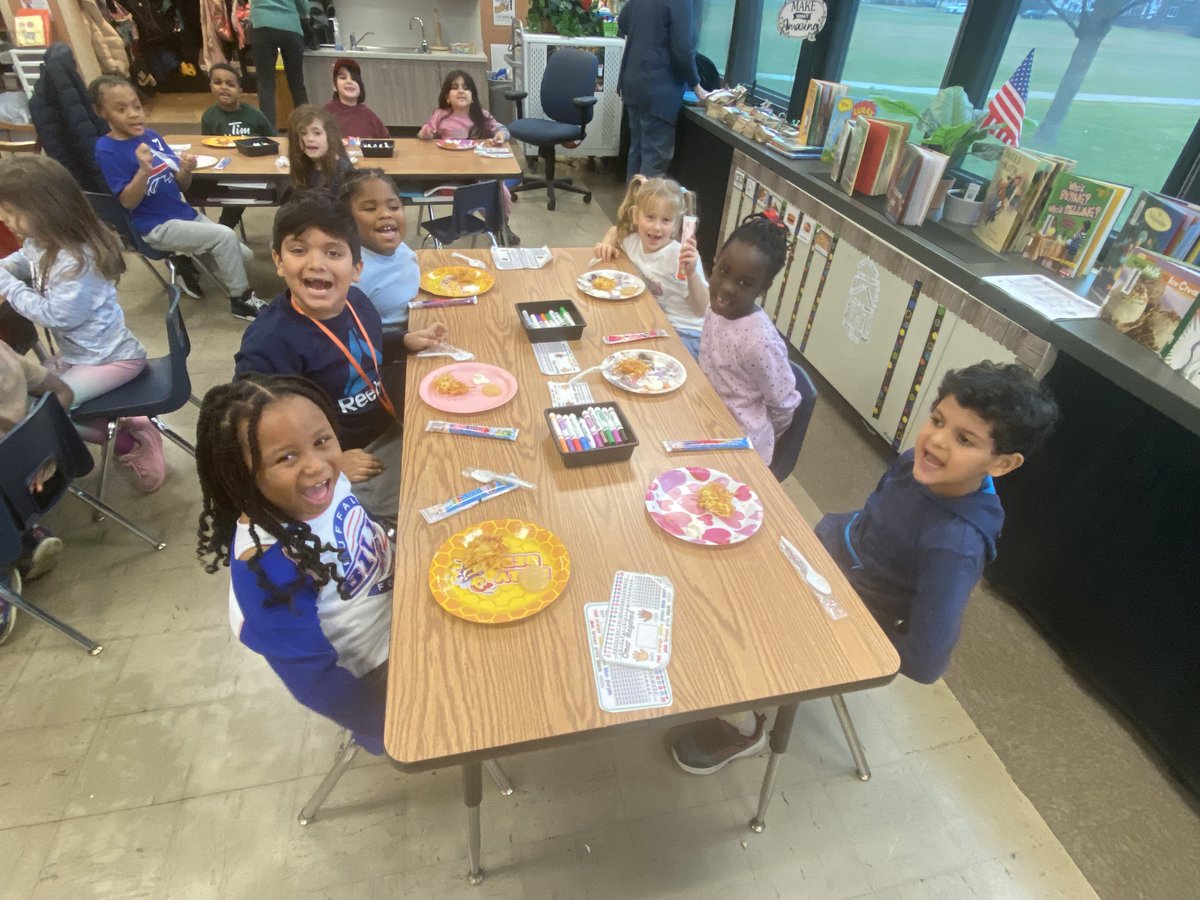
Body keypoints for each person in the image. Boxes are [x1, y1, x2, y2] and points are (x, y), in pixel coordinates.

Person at [670, 361, 1059, 775]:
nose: (937, 442)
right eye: (938, 420)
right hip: (824, 558)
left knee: (743, 628)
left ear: (1001, 464)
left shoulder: (956, 545)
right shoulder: (915, 463)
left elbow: (927, 660)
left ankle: (746, 725)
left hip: (847, 607)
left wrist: (854, 633)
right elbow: (874, 515)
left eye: (964, 439)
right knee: (720, 563)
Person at [195, 373, 393, 754]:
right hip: (379, 672)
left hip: (403, 604)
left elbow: (357, 532)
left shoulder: (328, 482)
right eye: (287, 457)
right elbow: (314, 682)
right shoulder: (268, 565)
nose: (317, 466)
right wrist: (387, 724)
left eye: (322, 441)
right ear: (243, 474)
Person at [233, 192, 447, 519]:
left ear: (356, 268)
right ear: (278, 260)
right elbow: (252, 429)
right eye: (299, 250)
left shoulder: (356, 302)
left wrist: (402, 340)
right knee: (429, 504)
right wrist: (330, 463)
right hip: (344, 458)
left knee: (456, 458)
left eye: (333, 252)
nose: (316, 263)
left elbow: (358, 347)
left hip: (385, 423)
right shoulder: (269, 343)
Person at [0, 154, 166, 491]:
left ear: (47, 207)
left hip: (112, 359)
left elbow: (54, 314)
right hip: (83, 354)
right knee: (33, 393)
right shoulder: (42, 241)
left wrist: (8, 286)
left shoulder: (77, 260)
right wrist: (6, 270)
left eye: (11, 213)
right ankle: (123, 420)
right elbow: (20, 261)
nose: (6, 222)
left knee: (50, 410)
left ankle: (129, 440)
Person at [89, 75, 266, 321]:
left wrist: (186, 169)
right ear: (101, 112)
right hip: (155, 226)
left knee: (243, 255)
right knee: (225, 238)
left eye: (137, 106)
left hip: (184, 215)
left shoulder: (151, 136)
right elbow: (127, 203)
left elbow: (182, 185)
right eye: (121, 109)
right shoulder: (106, 149)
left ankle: (184, 260)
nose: (133, 114)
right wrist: (143, 170)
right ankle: (241, 300)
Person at [699, 213, 801, 466]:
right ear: (715, 261)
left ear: (763, 287)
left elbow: (783, 406)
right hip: (705, 417)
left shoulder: (760, 343)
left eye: (745, 283)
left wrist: (761, 439)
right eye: (722, 271)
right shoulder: (715, 308)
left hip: (741, 445)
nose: (726, 288)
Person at [591, 175, 708, 359]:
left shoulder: (681, 257)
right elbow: (615, 231)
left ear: (677, 224)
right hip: (652, 322)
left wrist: (692, 273)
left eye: (666, 220)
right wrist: (607, 243)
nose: (657, 227)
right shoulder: (633, 241)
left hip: (685, 332)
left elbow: (701, 309)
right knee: (600, 330)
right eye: (650, 217)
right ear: (636, 215)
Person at [0, 340, 73, 593]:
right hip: (41, 473)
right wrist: (39, 438)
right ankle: (30, 536)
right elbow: (63, 391)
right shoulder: (5, 352)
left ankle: (5, 577)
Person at [417, 70, 518, 245]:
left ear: (473, 96)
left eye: (466, 87)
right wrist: (425, 133)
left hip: (478, 172)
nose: (461, 91)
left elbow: (502, 129)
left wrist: (501, 136)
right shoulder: (440, 115)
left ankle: (502, 225)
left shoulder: (482, 116)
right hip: (449, 172)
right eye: (455, 87)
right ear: (447, 97)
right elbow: (425, 134)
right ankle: (494, 223)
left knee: (501, 192)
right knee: (477, 192)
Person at [617, 0, 709, 179]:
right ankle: (646, 207)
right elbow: (683, 48)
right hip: (658, 89)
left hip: (633, 82)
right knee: (654, 159)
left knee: (636, 153)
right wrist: (697, 86)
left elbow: (623, 22)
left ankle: (632, 207)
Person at [340, 168, 418, 332]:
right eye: (370, 209)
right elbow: (352, 339)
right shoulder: (354, 276)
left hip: (419, 321)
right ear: (347, 220)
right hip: (391, 349)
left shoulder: (402, 249)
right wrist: (402, 342)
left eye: (394, 207)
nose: (385, 214)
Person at [201, 63, 274, 231]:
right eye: (218, 82)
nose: (224, 88)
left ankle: (223, 229)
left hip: (256, 170)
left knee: (243, 189)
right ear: (211, 86)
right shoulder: (209, 117)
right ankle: (224, 230)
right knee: (235, 193)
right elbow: (205, 148)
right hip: (227, 171)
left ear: (240, 91)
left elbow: (274, 140)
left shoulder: (255, 115)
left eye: (230, 84)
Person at [249, 0, 310, 134]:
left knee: (266, 84)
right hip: (291, 27)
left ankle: (268, 133)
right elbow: (304, 5)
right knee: (297, 84)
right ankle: (307, 128)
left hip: (262, 24)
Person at [287, 104, 353, 197]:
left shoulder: (343, 171)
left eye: (317, 133)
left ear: (330, 136)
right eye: (303, 133)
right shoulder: (302, 165)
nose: (309, 139)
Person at [323, 58, 388, 140]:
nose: (349, 81)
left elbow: (387, 141)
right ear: (334, 86)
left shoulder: (369, 115)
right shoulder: (325, 113)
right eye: (343, 77)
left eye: (354, 78)